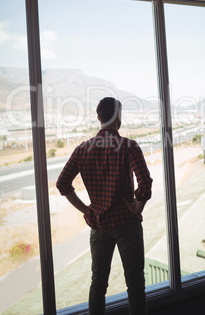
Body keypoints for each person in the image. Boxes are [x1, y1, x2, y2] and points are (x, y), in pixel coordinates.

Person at [56, 97, 153, 315]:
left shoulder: (82, 149)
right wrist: (138, 208)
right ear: (118, 116)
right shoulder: (129, 146)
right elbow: (144, 183)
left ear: (99, 117)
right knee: (135, 285)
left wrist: (87, 210)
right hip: (127, 224)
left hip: (98, 225)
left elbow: (62, 183)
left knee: (98, 284)